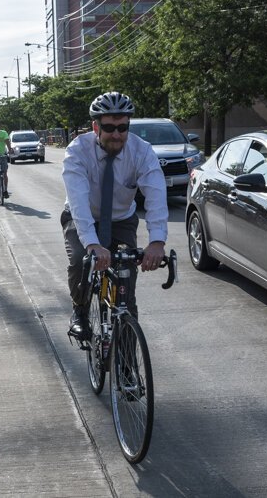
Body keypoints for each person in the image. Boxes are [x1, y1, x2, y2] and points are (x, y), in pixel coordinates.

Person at [61, 92, 168, 346]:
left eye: (123, 128)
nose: (117, 134)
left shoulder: (141, 152)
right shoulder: (77, 151)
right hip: (82, 217)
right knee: (80, 260)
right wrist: (92, 244)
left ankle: (129, 368)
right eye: (109, 128)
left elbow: (156, 195)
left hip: (122, 220)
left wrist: (157, 242)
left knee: (126, 291)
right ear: (95, 127)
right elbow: (78, 201)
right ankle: (80, 310)